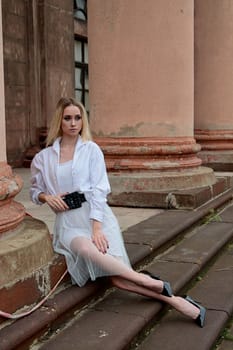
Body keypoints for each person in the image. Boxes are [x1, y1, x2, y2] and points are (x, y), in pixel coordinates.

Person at [30, 97, 206, 327]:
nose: (73, 123)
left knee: (117, 279)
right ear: (59, 122)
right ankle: (147, 281)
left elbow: (99, 190)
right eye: (67, 118)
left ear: (83, 120)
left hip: (95, 216)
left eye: (78, 117)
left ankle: (178, 302)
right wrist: (46, 197)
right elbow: (35, 191)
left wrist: (96, 228)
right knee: (84, 248)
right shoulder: (44, 158)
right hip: (68, 223)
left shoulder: (91, 150)